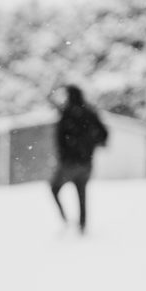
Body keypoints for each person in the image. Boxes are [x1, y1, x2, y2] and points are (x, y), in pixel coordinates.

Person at [48, 84, 108, 234]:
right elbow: (104, 134)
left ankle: (66, 221)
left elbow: (60, 139)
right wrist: (91, 145)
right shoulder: (90, 113)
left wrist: (67, 152)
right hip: (86, 162)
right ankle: (82, 226)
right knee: (81, 193)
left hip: (69, 162)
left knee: (54, 188)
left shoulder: (67, 114)